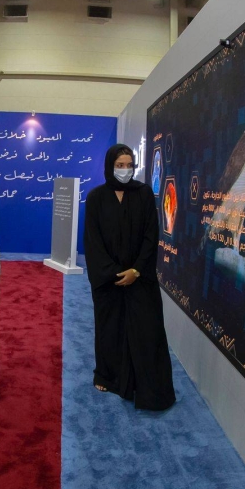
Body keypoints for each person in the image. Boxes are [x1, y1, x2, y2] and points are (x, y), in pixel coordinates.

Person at [83, 144, 176, 411]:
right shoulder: (96, 197)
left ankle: (148, 386)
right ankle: (107, 376)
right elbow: (93, 241)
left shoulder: (143, 193)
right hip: (108, 280)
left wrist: (136, 270)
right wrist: (113, 272)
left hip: (140, 277)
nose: (125, 170)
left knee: (147, 329)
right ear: (109, 166)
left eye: (129, 165)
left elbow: (151, 235)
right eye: (119, 165)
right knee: (109, 328)